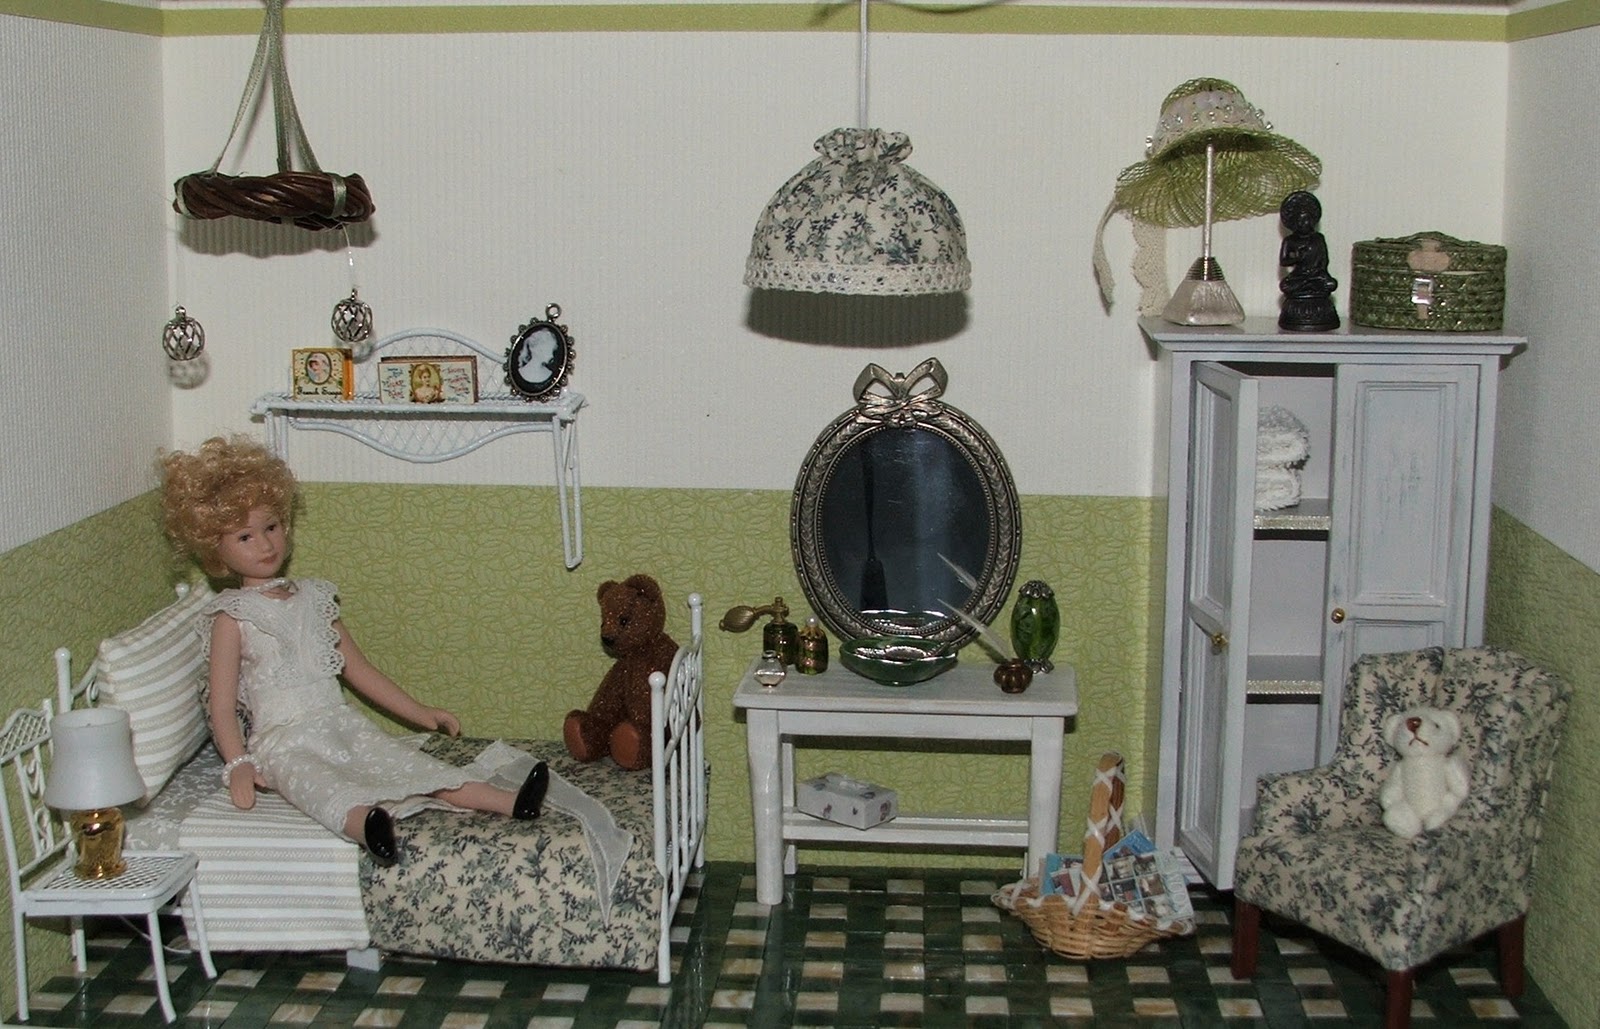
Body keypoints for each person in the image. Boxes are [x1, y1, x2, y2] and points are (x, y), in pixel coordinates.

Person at [159, 435, 548, 866]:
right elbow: (222, 706)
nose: (266, 546)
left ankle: (510, 801)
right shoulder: (231, 617)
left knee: (403, 763)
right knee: (319, 784)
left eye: (271, 527)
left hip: (337, 722)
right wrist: (238, 764)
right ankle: (367, 827)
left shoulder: (314, 598)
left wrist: (420, 712)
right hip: (281, 742)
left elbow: (359, 670)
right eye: (245, 537)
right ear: (215, 549)